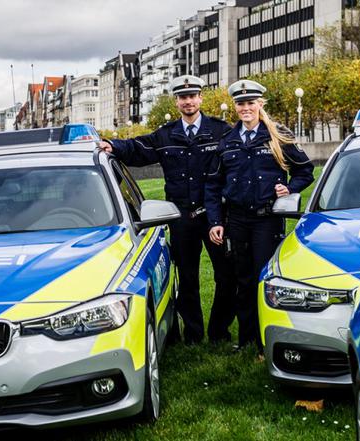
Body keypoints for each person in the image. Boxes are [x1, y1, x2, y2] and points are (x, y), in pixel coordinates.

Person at [99, 75, 236, 345]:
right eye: (183, 97)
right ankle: (193, 335)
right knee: (186, 277)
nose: (188, 101)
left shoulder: (221, 131)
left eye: (192, 96)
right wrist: (113, 145)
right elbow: (138, 149)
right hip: (181, 216)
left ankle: (220, 332)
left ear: (200, 98)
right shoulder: (165, 135)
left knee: (226, 275)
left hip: (214, 215)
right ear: (176, 102)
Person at [205, 79, 314, 351]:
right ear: (235, 107)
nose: (246, 108)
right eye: (241, 103)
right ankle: (247, 339)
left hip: (266, 219)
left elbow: (305, 171)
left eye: (250, 103)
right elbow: (213, 185)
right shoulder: (227, 142)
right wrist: (216, 222)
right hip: (237, 220)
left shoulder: (278, 135)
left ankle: (268, 338)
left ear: (260, 104)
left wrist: (289, 188)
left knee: (264, 278)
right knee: (242, 279)